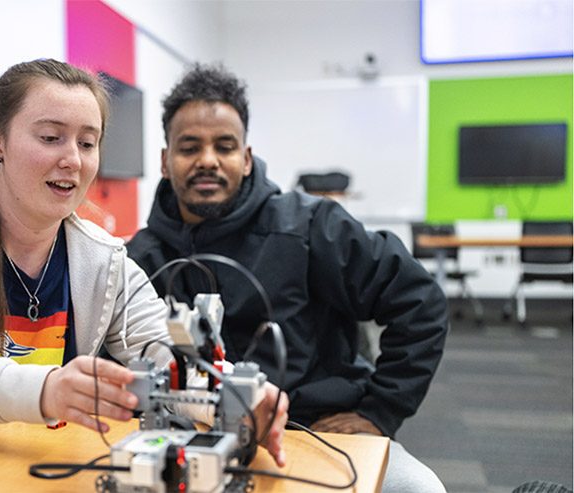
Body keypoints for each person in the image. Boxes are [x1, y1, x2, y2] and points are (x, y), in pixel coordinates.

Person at [0, 59, 287, 465]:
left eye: (87, 143)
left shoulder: (103, 258)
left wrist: (235, 393)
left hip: (15, 457)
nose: (72, 159)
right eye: (50, 137)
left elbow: (166, 355)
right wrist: (46, 389)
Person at [126, 64, 449, 492]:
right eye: (190, 147)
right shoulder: (140, 256)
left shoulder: (311, 226)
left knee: (418, 489)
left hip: (313, 429)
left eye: (224, 146)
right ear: (166, 162)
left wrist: (380, 412)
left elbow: (419, 301)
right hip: (187, 434)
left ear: (245, 157)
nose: (208, 160)